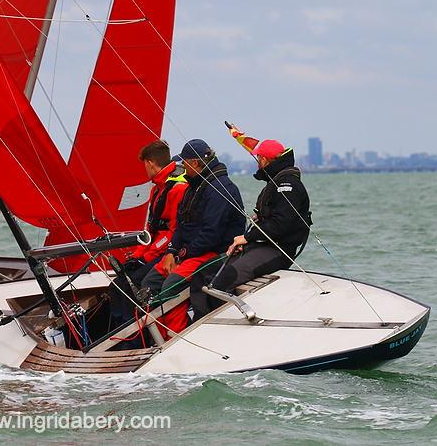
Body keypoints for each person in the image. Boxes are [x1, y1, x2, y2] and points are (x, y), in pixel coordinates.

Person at [140, 139, 245, 334]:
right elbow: (180, 225)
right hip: (189, 253)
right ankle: (157, 338)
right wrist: (171, 251)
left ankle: (177, 338)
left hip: (214, 253)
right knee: (149, 282)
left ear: (195, 163)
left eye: (185, 162)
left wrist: (182, 254)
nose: (182, 167)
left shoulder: (221, 189)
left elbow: (211, 234)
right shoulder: (193, 186)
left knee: (171, 287)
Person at [209, 139, 312, 310]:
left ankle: (230, 328)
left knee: (223, 280)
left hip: (278, 250)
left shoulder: (288, 184)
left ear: (264, 160)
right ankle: (199, 324)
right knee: (206, 272)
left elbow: (280, 226)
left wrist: (247, 238)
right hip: (261, 245)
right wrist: (247, 240)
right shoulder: (274, 183)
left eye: (258, 159)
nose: (258, 164)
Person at [108, 140, 187, 327]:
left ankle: (135, 335)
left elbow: (173, 232)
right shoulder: (156, 189)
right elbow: (152, 231)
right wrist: (136, 256)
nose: (145, 169)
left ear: (150, 163)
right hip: (157, 249)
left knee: (132, 286)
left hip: (170, 251)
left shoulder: (178, 189)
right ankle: (118, 332)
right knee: (117, 285)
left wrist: (146, 258)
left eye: (144, 165)